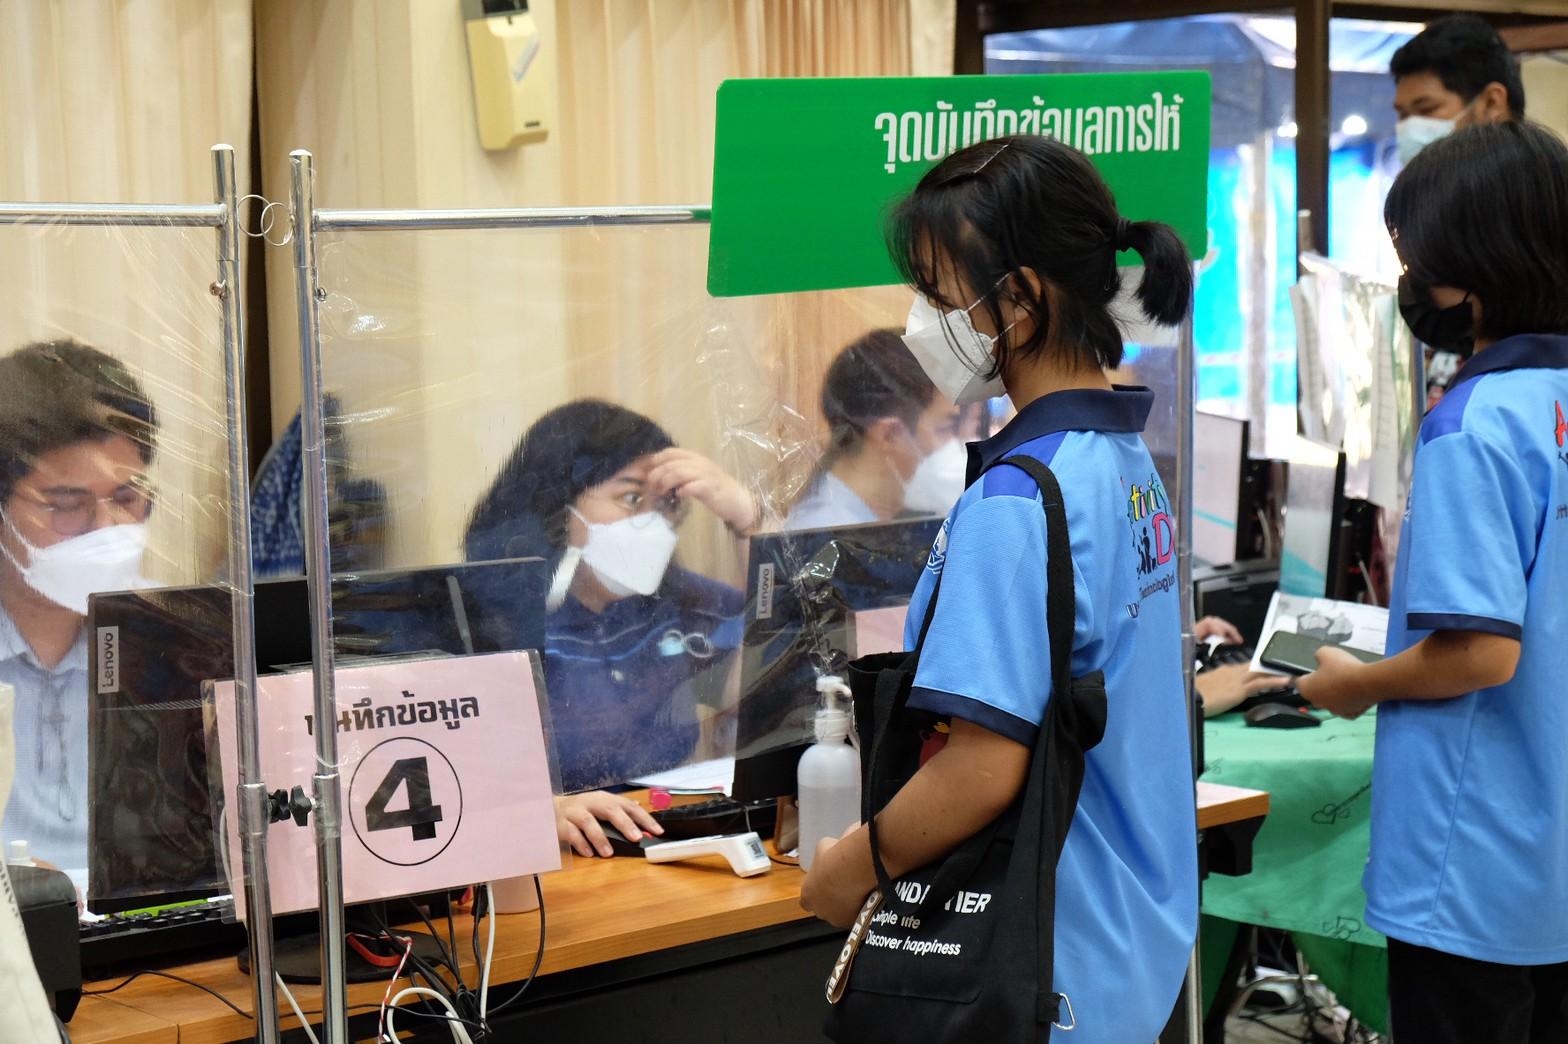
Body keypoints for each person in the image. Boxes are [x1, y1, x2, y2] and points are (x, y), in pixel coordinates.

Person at [799, 135, 1198, 1042]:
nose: (919, 321)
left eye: (939, 296)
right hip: (1128, 951)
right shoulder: (1124, 462)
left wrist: (847, 869)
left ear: (1018, 298)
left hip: (1045, 964)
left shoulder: (1017, 500)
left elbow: (982, 769)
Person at [1298, 121, 1568, 1043]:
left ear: (1476, 264)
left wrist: (1352, 687)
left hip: (1478, 858)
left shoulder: (1475, 426)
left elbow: (1481, 652)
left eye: (1418, 264)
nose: (1411, 287)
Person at [464, 400, 754, 858]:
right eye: (632, 499)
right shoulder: (490, 618)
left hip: (666, 846)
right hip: (556, 866)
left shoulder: (677, 603)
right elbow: (452, 780)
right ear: (560, 507)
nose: (653, 523)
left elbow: (776, 667)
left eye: (668, 504)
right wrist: (538, 811)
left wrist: (746, 521)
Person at [0, 341, 158, 890]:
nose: (107, 529)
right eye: (67, 505)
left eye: (128, 497)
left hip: (159, 955)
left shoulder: (177, 640)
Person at [785, 329, 962, 529]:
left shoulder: (859, 525)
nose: (956, 445)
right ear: (890, 435)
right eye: (945, 428)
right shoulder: (829, 535)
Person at [1391, 14, 1523, 165]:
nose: (1411, 130)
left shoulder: (1540, 183)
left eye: (1427, 109)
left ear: (1491, 103)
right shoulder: (1432, 186)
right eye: (1403, 115)